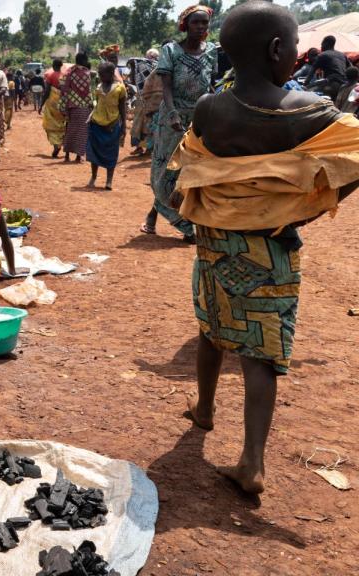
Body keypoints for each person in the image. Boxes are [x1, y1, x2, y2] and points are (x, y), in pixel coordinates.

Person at [173, 1, 358, 495]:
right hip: (271, 248)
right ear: (278, 50)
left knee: (212, 322)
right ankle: (251, 461)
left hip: (215, 242)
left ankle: (205, 409)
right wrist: (304, 206)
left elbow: (187, 169)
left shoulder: (210, 109)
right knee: (261, 351)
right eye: (295, 47)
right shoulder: (308, 114)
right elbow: (355, 157)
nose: (297, 55)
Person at [141, 5, 217, 243]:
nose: (201, 27)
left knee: (192, 171)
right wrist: (173, 113)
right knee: (166, 172)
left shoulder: (212, 51)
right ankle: (178, 221)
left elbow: (210, 85)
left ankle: (183, 222)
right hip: (172, 119)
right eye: (196, 23)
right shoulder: (171, 51)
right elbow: (166, 87)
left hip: (201, 117)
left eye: (205, 23)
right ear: (185, 25)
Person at [86, 62, 128, 190]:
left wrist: (124, 126)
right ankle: (93, 177)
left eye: (102, 74)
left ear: (110, 74)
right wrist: (90, 116)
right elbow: (97, 104)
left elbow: (122, 108)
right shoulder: (98, 87)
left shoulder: (120, 88)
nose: (100, 76)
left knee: (111, 153)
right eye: (99, 74)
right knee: (94, 151)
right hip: (96, 124)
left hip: (112, 125)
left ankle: (109, 181)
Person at [60, 52, 94, 163]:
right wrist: (91, 104)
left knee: (69, 130)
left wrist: (63, 105)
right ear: (84, 60)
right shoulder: (86, 73)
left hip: (71, 106)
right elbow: (88, 90)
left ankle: (66, 156)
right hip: (83, 106)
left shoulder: (69, 72)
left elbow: (64, 89)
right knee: (82, 132)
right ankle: (79, 157)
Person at [130, 49, 162, 156]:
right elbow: (134, 81)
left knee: (149, 124)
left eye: (153, 57)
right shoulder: (141, 67)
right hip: (141, 98)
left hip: (153, 101)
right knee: (139, 123)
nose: (150, 59)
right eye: (149, 57)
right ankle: (139, 147)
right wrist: (135, 67)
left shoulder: (160, 68)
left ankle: (149, 149)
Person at [41, 60, 67, 157]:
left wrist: (41, 105)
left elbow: (47, 91)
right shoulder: (65, 75)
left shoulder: (50, 75)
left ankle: (56, 144)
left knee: (50, 123)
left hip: (52, 102)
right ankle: (61, 142)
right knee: (62, 123)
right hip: (62, 102)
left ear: (53, 65)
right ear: (61, 66)